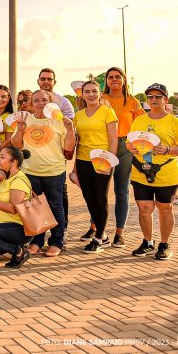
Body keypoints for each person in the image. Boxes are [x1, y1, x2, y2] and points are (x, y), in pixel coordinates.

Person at [127, 83, 178, 260]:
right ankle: (147, 242)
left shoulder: (174, 122)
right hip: (141, 170)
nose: (153, 100)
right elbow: (129, 141)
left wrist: (167, 150)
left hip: (166, 172)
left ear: (165, 100)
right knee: (144, 208)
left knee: (164, 208)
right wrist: (132, 148)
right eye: (150, 97)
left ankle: (164, 244)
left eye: (158, 96)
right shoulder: (140, 120)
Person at [11, 90, 75, 257]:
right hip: (31, 171)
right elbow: (17, 145)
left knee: (55, 207)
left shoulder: (58, 121)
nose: (41, 103)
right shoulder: (26, 119)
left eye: (44, 100)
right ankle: (37, 241)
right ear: (31, 104)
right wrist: (20, 130)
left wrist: (70, 130)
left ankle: (56, 242)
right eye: (37, 100)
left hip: (54, 171)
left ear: (50, 102)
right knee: (36, 208)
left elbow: (68, 147)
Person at [71, 80, 119, 252]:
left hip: (102, 161)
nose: (91, 94)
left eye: (94, 91)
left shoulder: (108, 112)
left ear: (99, 94)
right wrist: (74, 168)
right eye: (87, 91)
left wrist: (109, 162)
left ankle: (99, 238)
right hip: (83, 160)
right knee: (89, 198)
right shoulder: (79, 114)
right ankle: (103, 235)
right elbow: (77, 142)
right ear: (82, 94)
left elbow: (113, 139)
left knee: (100, 198)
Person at [101, 66, 144, 246]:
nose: (114, 79)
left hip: (125, 147)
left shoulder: (133, 102)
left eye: (118, 76)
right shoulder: (101, 99)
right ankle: (97, 228)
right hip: (103, 146)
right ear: (106, 81)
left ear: (124, 80)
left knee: (122, 191)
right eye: (110, 77)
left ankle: (120, 232)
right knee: (100, 190)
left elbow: (141, 123)